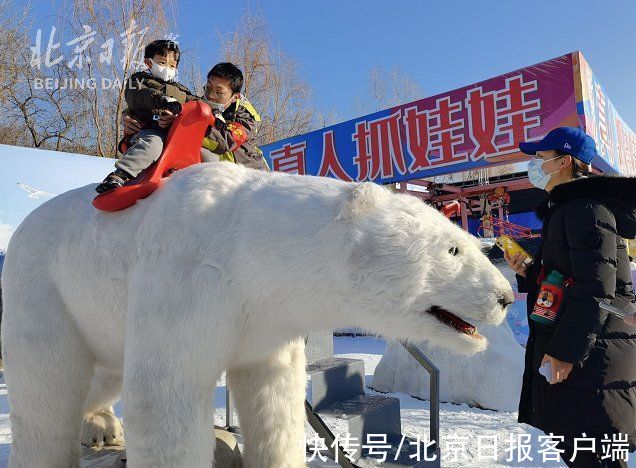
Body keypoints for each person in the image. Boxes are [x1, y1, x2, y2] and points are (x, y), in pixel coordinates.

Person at [506, 127, 636, 467]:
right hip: (590, 355)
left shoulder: (585, 209)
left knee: (595, 455)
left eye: (540, 158)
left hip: (592, 362)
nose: (533, 165)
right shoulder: (570, 209)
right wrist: (530, 270)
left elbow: (596, 289)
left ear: (564, 162)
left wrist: (565, 352)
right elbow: (567, 279)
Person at [120, 62, 269, 173]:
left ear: (235, 97)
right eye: (209, 88)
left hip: (249, 176)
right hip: (218, 173)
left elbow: (225, 142)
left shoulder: (245, 116)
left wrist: (181, 123)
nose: (211, 95)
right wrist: (130, 115)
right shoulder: (201, 104)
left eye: (219, 92)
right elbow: (171, 101)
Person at [95, 39, 198, 193]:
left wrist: (215, 114)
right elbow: (138, 96)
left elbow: (197, 104)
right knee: (154, 143)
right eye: (162, 63)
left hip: (172, 136)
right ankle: (121, 174)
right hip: (145, 132)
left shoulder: (181, 90)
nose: (167, 69)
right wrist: (162, 100)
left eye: (172, 66)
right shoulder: (139, 80)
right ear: (149, 63)